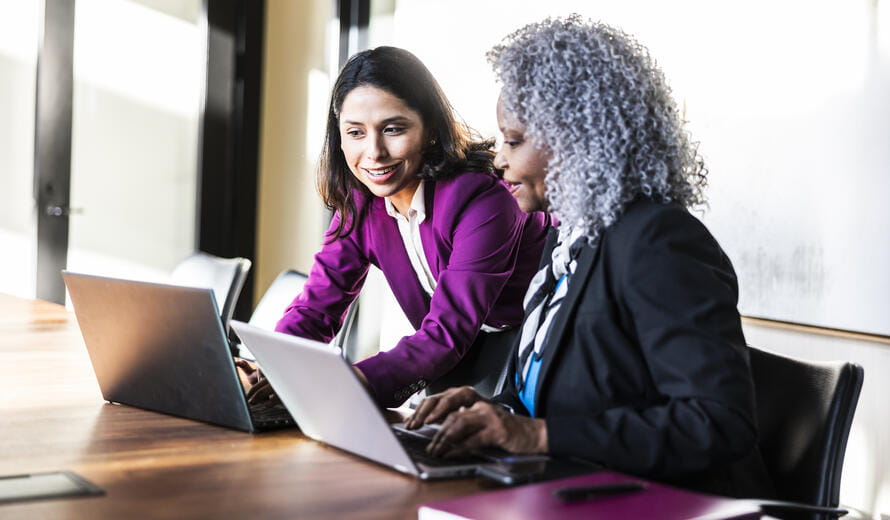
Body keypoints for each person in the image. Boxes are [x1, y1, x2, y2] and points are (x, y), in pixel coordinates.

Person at [405, 16, 774, 498]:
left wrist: (536, 436)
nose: (497, 159)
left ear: (580, 139)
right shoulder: (569, 241)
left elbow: (718, 422)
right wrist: (494, 411)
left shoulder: (660, 241)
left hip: (669, 504)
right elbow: (560, 395)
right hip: (573, 490)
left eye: (513, 140)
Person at [246, 46, 551, 409]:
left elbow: (447, 330)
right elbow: (318, 308)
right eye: (355, 132)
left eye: (392, 129)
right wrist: (271, 366)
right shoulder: (361, 201)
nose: (374, 152)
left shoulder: (484, 197)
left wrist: (348, 383)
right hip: (454, 352)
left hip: (533, 347)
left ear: (430, 128)